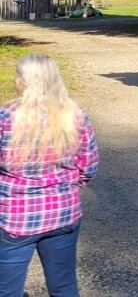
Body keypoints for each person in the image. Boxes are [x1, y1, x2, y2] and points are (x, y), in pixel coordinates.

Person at [0, 54, 99, 297]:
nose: (14, 81)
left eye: (18, 76)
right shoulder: (75, 114)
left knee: (7, 290)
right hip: (63, 214)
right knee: (64, 285)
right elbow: (89, 166)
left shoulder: (5, 117)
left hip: (15, 219)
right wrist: (66, 188)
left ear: (25, 82)